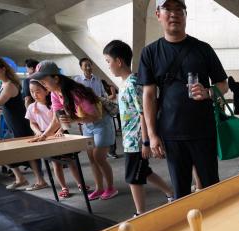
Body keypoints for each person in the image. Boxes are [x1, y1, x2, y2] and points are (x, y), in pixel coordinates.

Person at [138, 0, 228, 199]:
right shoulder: (150, 53)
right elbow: (149, 95)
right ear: (158, 14)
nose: (174, 14)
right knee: (181, 193)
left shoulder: (203, 49)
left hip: (203, 131)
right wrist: (152, 135)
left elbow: (223, 84)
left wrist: (208, 92)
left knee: (213, 187)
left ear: (185, 15)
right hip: (171, 134)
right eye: (167, 9)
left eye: (179, 9)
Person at [104, 39, 174, 215]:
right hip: (131, 140)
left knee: (133, 178)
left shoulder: (133, 82)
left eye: (108, 61)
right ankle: (171, 193)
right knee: (144, 172)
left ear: (119, 61)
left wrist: (145, 141)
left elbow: (144, 112)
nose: (108, 66)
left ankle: (140, 213)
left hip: (136, 141)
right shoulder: (127, 83)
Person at [30, 60, 118, 200]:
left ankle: (111, 188)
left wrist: (74, 120)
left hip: (101, 123)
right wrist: (44, 136)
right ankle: (99, 188)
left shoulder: (76, 92)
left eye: (44, 80)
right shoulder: (54, 93)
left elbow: (96, 115)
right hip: (87, 125)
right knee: (92, 159)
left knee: (99, 157)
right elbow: (56, 119)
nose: (43, 84)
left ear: (56, 78)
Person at [0, 55, 47, 191]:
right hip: (12, 123)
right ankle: (20, 178)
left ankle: (40, 181)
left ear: (3, 69)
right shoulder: (4, 84)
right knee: (5, 151)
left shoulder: (9, 85)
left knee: (29, 152)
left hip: (20, 123)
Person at [25, 80, 87, 198]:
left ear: (46, 91)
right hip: (45, 137)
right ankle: (64, 187)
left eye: (37, 91)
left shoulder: (55, 104)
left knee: (72, 162)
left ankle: (80, 183)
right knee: (56, 165)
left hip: (60, 134)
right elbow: (32, 123)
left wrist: (60, 131)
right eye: (32, 92)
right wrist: (38, 132)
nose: (34, 94)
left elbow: (61, 120)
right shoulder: (32, 107)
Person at [75, 58, 119, 159]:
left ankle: (110, 151)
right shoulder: (77, 80)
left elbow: (103, 94)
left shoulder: (97, 79)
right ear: (81, 67)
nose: (88, 67)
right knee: (91, 153)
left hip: (100, 113)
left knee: (98, 152)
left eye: (90, 65)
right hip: (86, 115)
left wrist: (101, 99)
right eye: (85, 65)